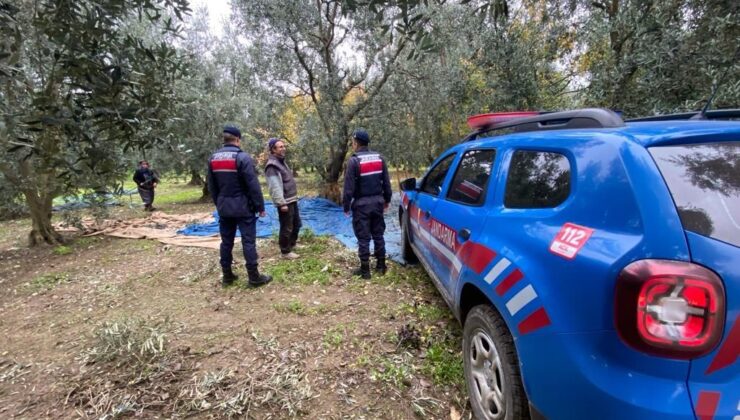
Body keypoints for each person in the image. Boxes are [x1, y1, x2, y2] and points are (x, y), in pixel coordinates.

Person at [207, 125, 272, 287]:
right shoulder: (242, 158)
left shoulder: (213, 158)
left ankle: (227, 276)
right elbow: (253, 186)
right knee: (248, 241)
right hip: (243, 208)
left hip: (224, 208)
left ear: (225, 139)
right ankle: (254, 277)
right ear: (237, 139)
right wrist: (260, 207)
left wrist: (219, 203)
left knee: (226, 242)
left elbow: (212, 186)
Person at [342, 129, 392, 279]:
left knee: (363, 237)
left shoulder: (354, 161)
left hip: (361, 204)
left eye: (352, 142)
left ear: (356, 143)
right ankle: (381, 266)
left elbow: (348, 188)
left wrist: (346, 206)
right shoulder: (379, 158)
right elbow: (387, 183)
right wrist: (387, 200)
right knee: (378, 234)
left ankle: (365, 271)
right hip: (377, 202)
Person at [265, 138, 302, 259]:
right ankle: (285, 252)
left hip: (292, 199)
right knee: (286, 226)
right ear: (273, 150)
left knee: (296, 224)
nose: (283, 148)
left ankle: (292, 244)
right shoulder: (272, 165)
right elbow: (274, 186)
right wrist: (281, 203)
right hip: (285, 202)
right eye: (280, 147)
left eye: (283, 146)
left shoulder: (281, 161)